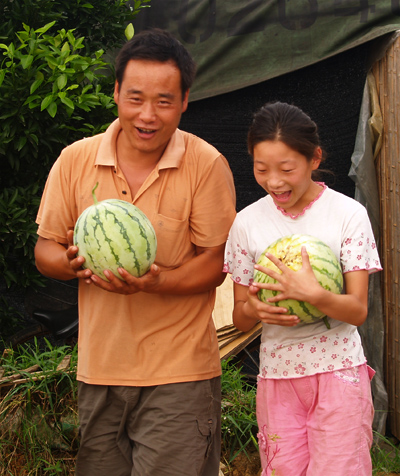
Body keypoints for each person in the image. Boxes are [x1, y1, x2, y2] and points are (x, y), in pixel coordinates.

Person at [34, 28, 236, 476]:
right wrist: (70, 266)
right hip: (100, 369)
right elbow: (45, 248)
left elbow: (216, 263)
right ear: (116, 93)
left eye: (164, 101)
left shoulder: (206, 164)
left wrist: (158, 280)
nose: (148, 115)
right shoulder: (75, 159)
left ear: (184, 101)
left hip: (180, 374)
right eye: (136, 98)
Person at [223, 101, 382, 476]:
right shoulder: (247, 223)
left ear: (315, 159)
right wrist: (255, 311)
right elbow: (240, 317)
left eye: (287, 169)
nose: (274, 181)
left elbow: (358, 310)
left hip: (339, 373)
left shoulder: (347, 215)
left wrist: (316, 295)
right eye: (261, 169)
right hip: (278, 379)